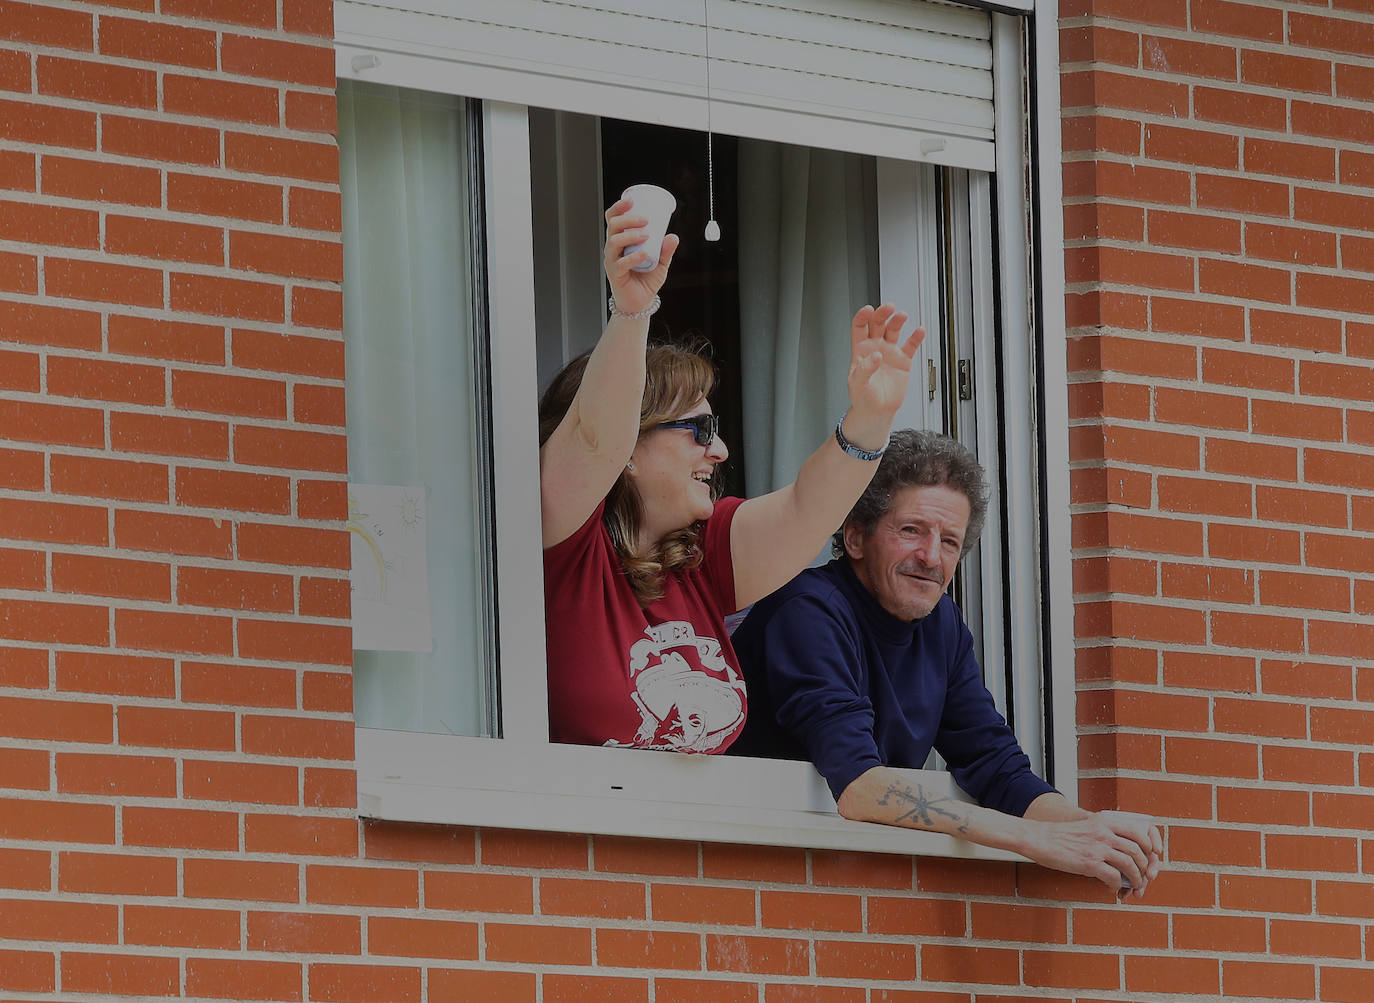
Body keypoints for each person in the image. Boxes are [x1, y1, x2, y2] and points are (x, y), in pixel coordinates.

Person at [538, 195, 923, 753]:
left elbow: (805, 512)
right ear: (630, 447)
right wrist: (631, 313)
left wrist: (869, 418)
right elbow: (594, 438)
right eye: (697, 430)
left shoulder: (700, 555)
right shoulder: (567, 548)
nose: (718, 449)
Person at [730, 430, 1165, 897]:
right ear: (855, 536)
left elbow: (995, 765)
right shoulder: (807, 610)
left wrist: (1091, 830)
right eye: (911, 530)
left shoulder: (942, 625)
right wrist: (1036, 839)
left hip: (848, 877)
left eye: (950, 541)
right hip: (749, 863)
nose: (931, 557)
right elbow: (859, 786)